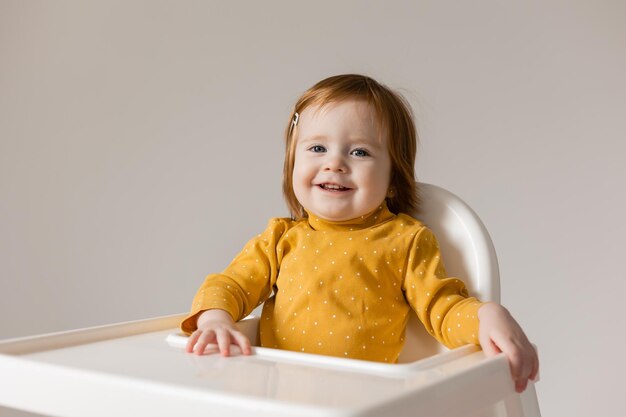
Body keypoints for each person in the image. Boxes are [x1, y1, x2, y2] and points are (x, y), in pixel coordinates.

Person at [181, 74, 538, 393]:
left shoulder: (405, 239)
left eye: (359, 151)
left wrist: (486, 317)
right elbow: (230, 284)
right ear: (293, 164)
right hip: (281, 397)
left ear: (393, 180)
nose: (334, 163)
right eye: (317, 148)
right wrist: (216, 318)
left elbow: (442, 308)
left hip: (366, 399)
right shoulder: (280, 238)